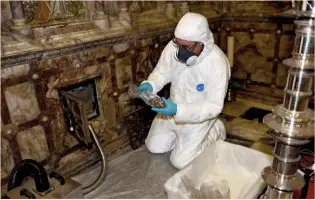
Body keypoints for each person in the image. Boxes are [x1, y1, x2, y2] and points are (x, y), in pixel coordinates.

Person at [137, 12, 231, 170]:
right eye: (178, 44)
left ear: (202, 42)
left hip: (197, 117)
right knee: (154, 147)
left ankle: (215, 129)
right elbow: (162, 73)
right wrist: (150, 85)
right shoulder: (172, 47)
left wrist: (179, 111)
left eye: (186, 47)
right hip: (170, 110)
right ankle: (181, 139)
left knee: (180, 162)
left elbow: (213, 107)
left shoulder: (218, 63)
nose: (180, 51)